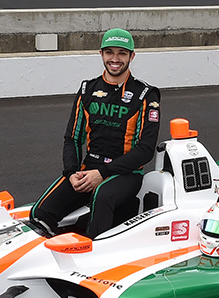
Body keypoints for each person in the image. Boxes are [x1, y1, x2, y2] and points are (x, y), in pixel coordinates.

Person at [31, 28, 161, 238]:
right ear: (101, 54)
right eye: (109, 52)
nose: (115, 59)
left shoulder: (146, 94)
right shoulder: (87, 90)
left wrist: (102, 173)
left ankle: (93, 256)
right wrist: (71, 172)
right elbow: (72, 138)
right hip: (88, 169)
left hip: (126, 174)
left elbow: (145, 151)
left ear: (132, 56)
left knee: (101, 196)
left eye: (122, 53)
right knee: (40, 213)